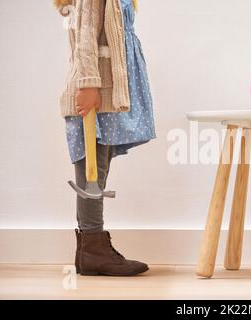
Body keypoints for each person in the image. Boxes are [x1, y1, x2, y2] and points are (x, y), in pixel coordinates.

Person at [54, 0, 156, 276]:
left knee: (97, 170)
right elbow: (84, 32)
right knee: (91, 173)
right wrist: (87, 83)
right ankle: (93, 248)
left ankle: (91, 249)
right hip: (95, 89)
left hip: (108, 89)